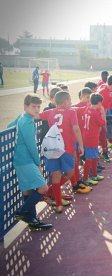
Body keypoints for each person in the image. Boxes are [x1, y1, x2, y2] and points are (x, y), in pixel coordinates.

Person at [8, 94, 53, 230]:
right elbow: (31, 144)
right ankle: (21, 213)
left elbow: (9, 125)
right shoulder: (27, 122)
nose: (37, 109)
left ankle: (32, 221)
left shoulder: (23, 117)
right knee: (43, 187)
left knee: (28, 191)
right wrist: (38, 163)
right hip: (26, 159)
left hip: (20, 159)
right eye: (33, 107)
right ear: (25, 106)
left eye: (38, 107)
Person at [39, 91, 84, 213]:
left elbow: (37, 116)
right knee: (69, 173)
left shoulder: (50, 112)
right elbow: (76, 128)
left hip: (53, 149)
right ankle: (58, 202)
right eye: (69, 101)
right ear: (65, 102)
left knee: (57, 176)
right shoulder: (71, 112)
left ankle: (53, 192)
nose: (71, 103)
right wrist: (81, 145)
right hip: (66, 149)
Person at [79, 93, 106, 186]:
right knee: (89, 159)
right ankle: (86, 178)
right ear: (99, 103)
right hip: (91, 137)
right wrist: (102, 112)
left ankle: (94, 175)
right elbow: (103, 123)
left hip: (87, 136)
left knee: (94, 157)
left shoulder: (87, 108)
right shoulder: (95, 113)